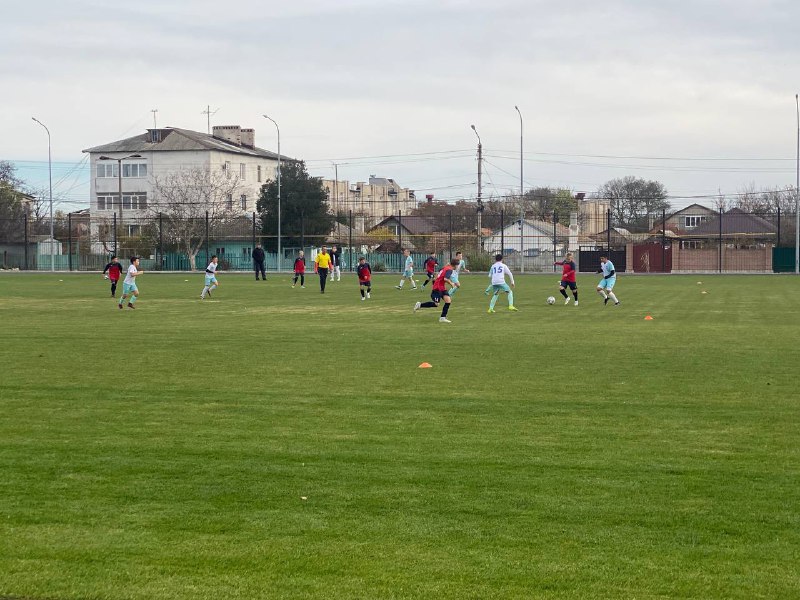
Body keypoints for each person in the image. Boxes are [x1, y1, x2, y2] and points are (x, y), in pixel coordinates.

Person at [413, 257, 460, 323]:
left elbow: (440, 275)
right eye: (457, 265)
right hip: (437, 288)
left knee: (448, 300)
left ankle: (442, 318)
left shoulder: (446, 267)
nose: (457, 267)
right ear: (455, 265)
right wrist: (452, 284)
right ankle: (420, 305)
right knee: (436, 304)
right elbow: (445, 279)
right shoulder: (449, 270)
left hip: (442, 287)